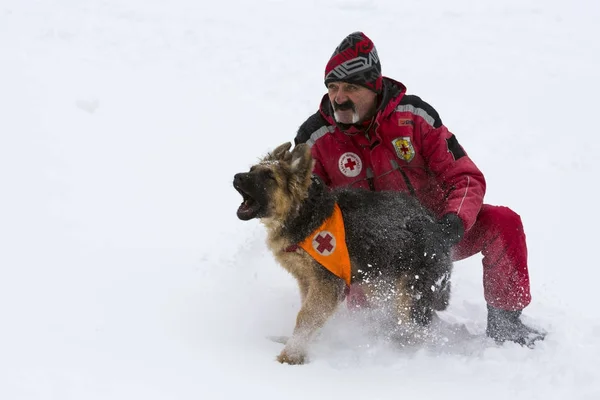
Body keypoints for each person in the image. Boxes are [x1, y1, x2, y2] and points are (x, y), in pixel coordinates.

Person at [294, 31, 545, 346]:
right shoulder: (314, 138)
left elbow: (465, 177)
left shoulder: (414, 118)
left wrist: (449, 227)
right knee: (374, 327)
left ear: (374, 86)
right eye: (333, 87)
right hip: (366, 255)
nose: (339, 97)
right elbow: (300, 213)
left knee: (503, 223)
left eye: (351, 87)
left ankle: (507, 327)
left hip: (433, 238)